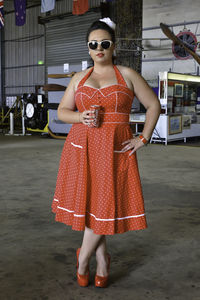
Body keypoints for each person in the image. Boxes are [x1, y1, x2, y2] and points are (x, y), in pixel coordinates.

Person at [52, 17, 161, 288]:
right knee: (94, 205)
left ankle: (83, 257)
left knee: (104, 203)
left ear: (114, 46)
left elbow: (153, 106)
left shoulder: (128, 74)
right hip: (82, 148)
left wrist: (143, 138)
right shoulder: (80, 78)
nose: (98, 48)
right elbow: (62, 112)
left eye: (104, 43)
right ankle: (102, 259)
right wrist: (80, 118)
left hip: (115, 149)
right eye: (93, 44)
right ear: (87, 48)